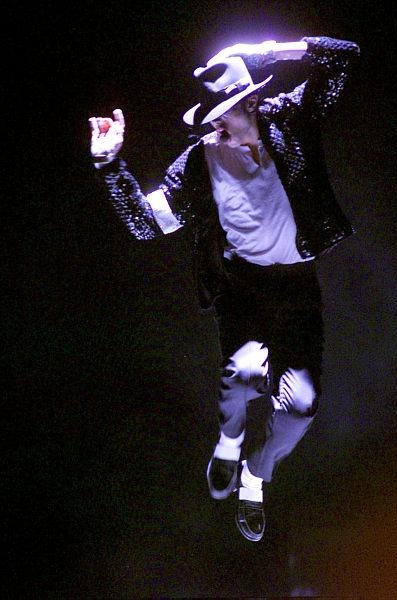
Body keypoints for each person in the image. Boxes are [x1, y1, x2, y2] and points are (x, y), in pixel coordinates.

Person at [88, 35, 360, 542]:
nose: (215, 126)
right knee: (242, 375)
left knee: (300, 409)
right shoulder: (201, 160)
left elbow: (344, 57)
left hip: (297, 289)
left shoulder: (290, 121)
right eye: (210, 117)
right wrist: (110, 165)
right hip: (243, 288)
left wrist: (269, 50)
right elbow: (145, 224)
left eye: (223, 114)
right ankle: (228, 443)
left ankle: (255, 476)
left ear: (250, 103)